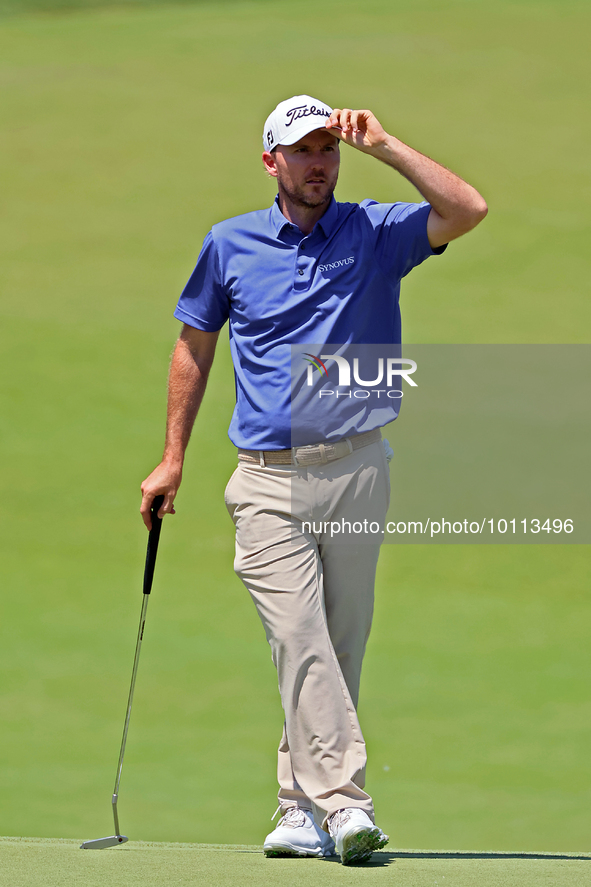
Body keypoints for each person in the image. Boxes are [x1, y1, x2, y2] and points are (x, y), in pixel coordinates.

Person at [140, 95, 487, 865]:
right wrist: (173, 457)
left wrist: (386, 145)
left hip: (359, 466)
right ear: (271, 162)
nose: (319, 163)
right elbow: (193, 344)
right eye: (302, 151)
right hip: (266, 481)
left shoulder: (374, 230)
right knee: (301, 640)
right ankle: (346, 807)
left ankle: (296, 808)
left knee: (338, 645)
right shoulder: (228, 245)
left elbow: (466, 208)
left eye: (328, 149)